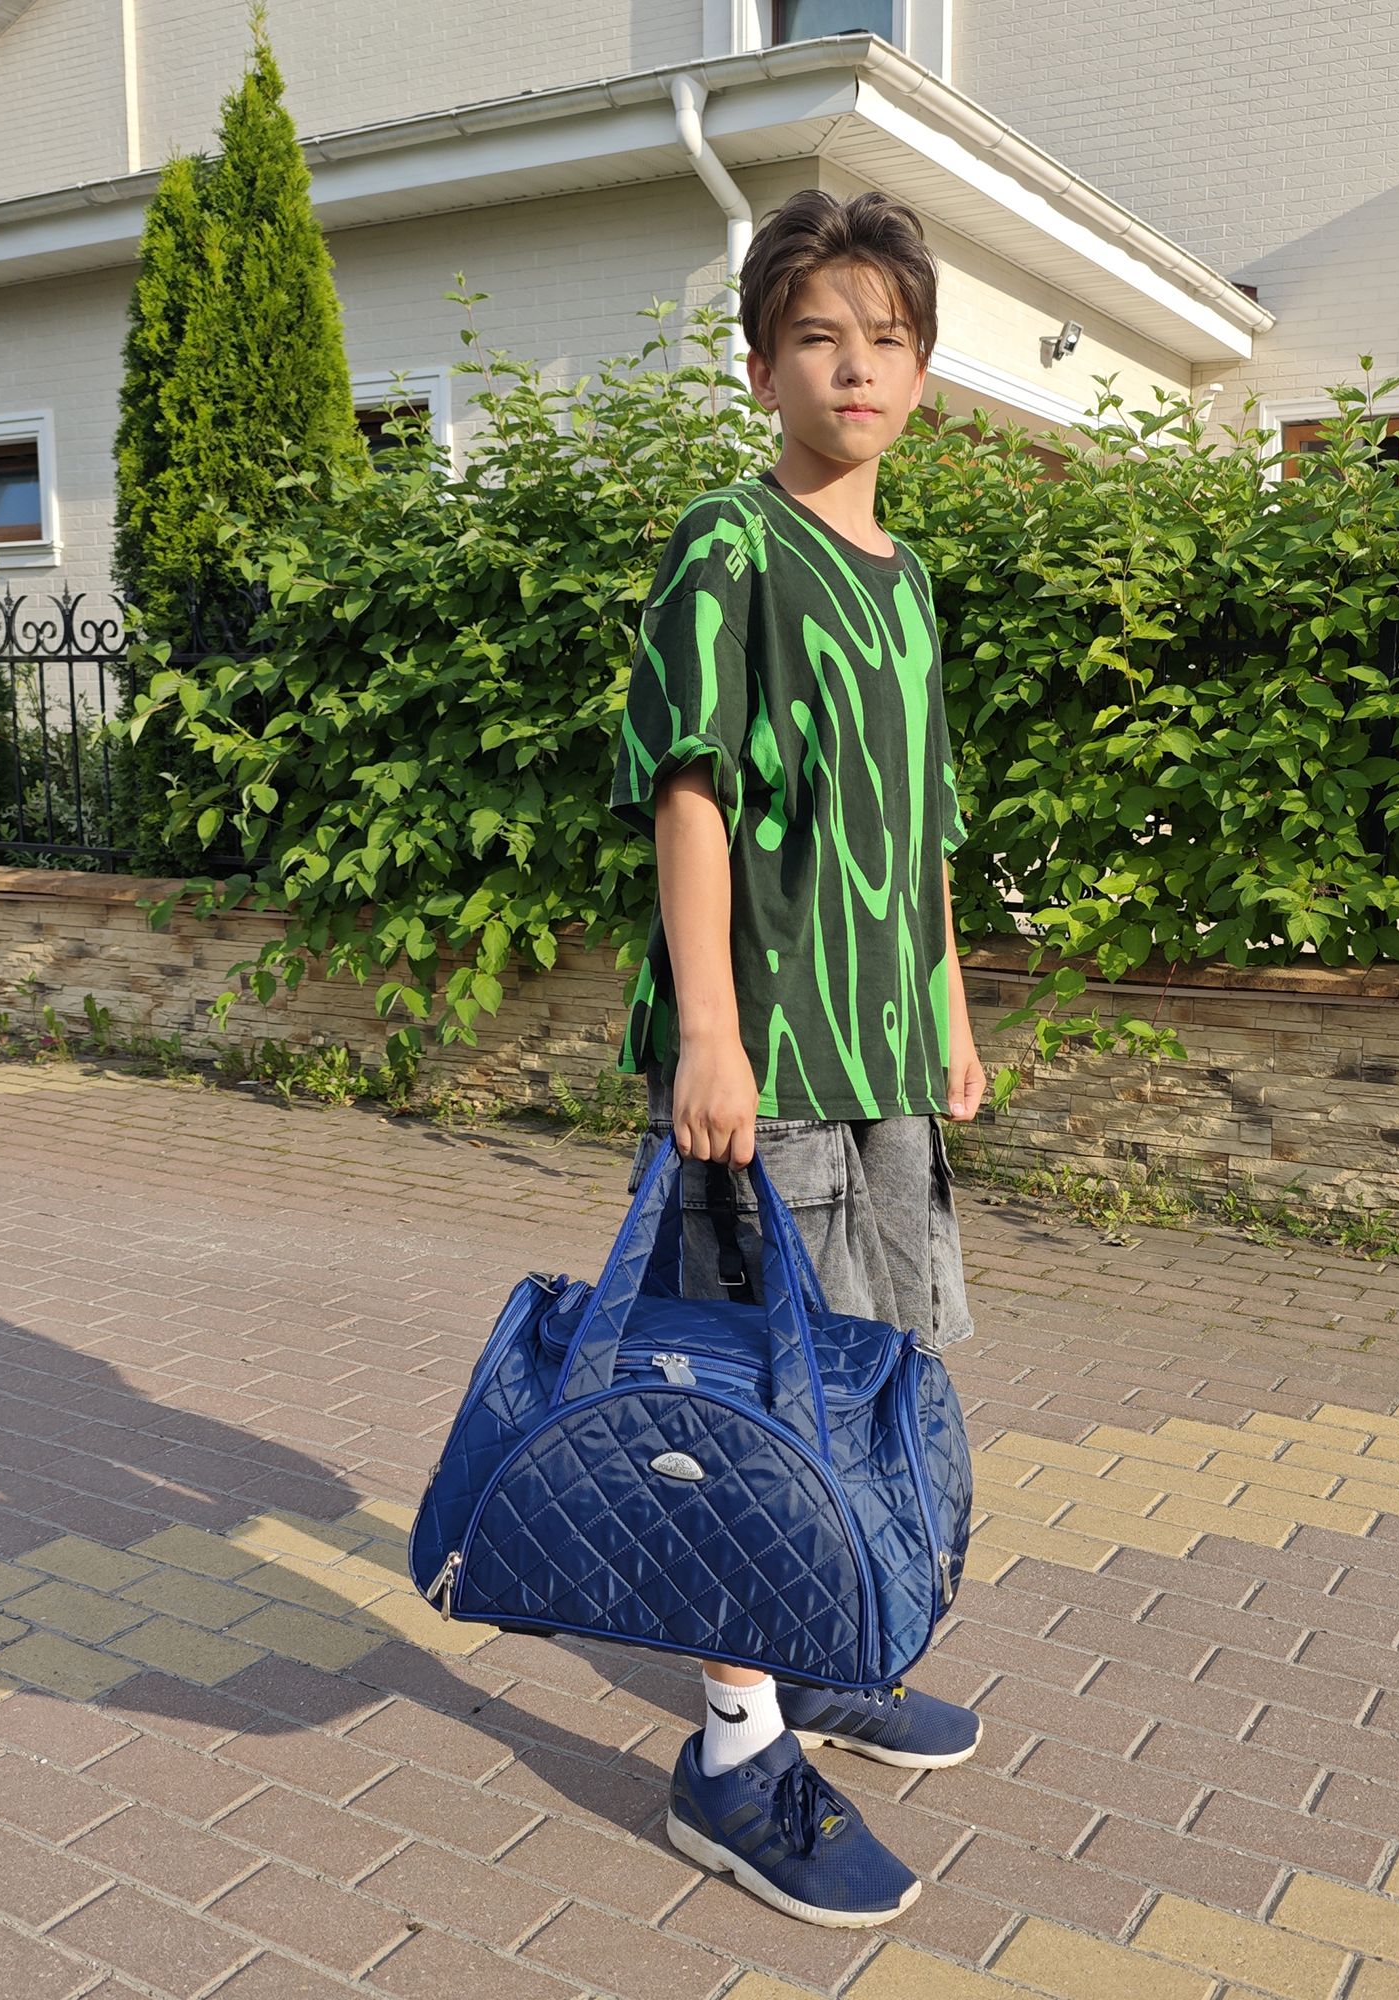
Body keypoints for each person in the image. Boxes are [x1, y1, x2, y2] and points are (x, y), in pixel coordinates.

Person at [607, 187, 984, 1929]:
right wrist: (707, 1030)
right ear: (762, 369)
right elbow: (689, 788)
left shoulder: (909, 588)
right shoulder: (733, 548)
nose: (856, 367)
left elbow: (923, 829)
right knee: (755, 1405)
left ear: (925, 372)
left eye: (886, 340)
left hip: (882, 1060)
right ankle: (735, 1754)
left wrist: (951, 1009)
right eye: (818, 338)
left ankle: (821, 1663)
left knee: (874, 1377)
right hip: (764, 1068)